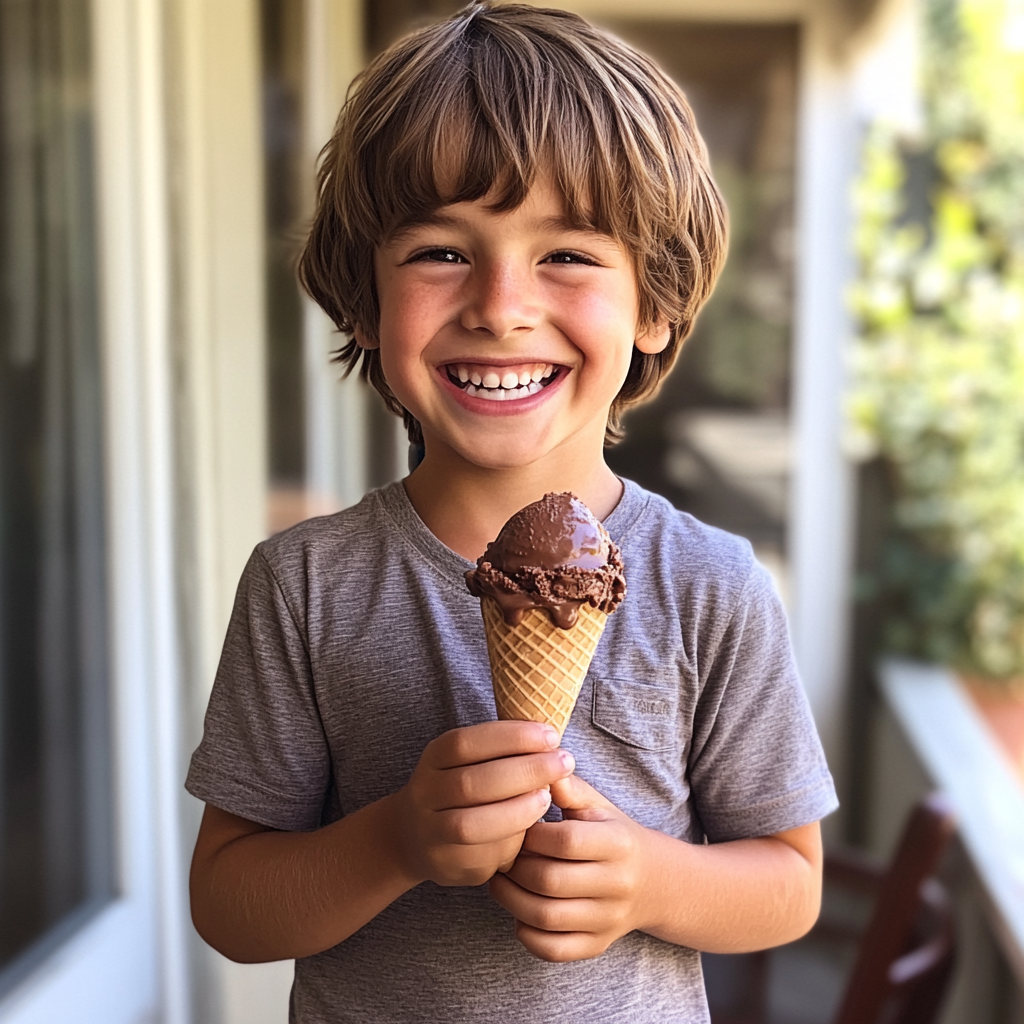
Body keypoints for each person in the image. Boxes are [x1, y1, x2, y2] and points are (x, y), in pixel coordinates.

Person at [186, 5, 838, 1021]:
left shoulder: (710, 584)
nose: (499, 303)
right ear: (363, 297)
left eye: (568, 255)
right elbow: (230, 902)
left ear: (654, 301)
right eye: (441, 251)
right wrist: (396, 840)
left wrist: (651, 881)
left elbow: (790, 882)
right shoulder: (306, 583)